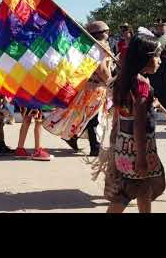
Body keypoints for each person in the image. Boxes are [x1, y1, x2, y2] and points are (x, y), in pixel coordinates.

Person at [103, 33, 165, 213]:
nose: (160, 60)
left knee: (143, 190)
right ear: (145, 58)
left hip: (124, 146)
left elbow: (123, 114)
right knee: (124, 194)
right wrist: (141, 159)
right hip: (138, 150)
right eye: (156, 55)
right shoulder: (141, 85)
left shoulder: (123, 80)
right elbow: (139, 123)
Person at [43, 21, 113, 157]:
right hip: (95, 87)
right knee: (93, 118)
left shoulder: (93, 47)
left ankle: (73, 137)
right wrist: (110, 81)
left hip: (93, 86)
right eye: (106, 31)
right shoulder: (97, 48)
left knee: (87, 116)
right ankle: (94, 147)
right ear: (100, 34)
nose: (108, 33)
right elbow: (102, 69)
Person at [149, 19, 166, 112]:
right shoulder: (152, 38)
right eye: (159, 26)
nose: (161, 28)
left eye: (163, 26)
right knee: (156, 86)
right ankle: (156, 106)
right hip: (157, 65)